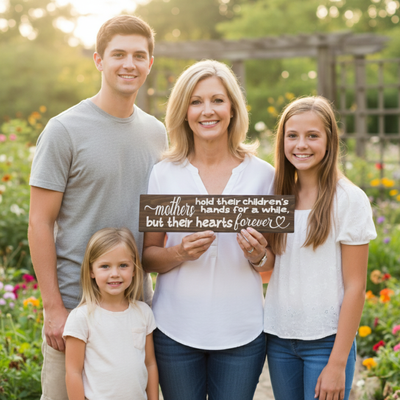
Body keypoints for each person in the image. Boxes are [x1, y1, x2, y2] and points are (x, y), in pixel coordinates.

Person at [28, 15, 167, 400]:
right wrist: (54, 309)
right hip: (75, 310)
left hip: (134, 307)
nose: (129, 64)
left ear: (149, 64)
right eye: (118, 54)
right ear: (98, 60)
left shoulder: (158, 134)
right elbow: (40, 222)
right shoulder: (64, 130)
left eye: (139, 55)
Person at [142, 59, 275, 400]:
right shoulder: (164, 173)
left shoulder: (264, 175)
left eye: (217, 100)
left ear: (233, 108)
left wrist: (260, 256)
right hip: (174, 330)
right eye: (196, 101)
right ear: (184, 111)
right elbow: (148, 258)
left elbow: (273, 262)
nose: (207, 110)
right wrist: (179, 252)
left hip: (242, 332)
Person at [260, 96, 377, 400]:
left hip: (327, 342)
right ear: (282, 141)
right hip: (280, 338)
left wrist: (338, 362)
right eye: (292, 136)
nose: (302, 144)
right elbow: (270, 271)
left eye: (312, 135)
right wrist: (256, 255)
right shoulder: (277, 196)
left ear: (329, 141)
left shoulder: (349, 199)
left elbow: (355, 286)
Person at [63, 228, 158, 400]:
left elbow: (150, 363)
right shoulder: (81, 317)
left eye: (123, 265)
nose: (115, 274)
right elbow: (73, 372)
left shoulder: (144, 312)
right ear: (91, 271)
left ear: (134, 269)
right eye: (105, 266)